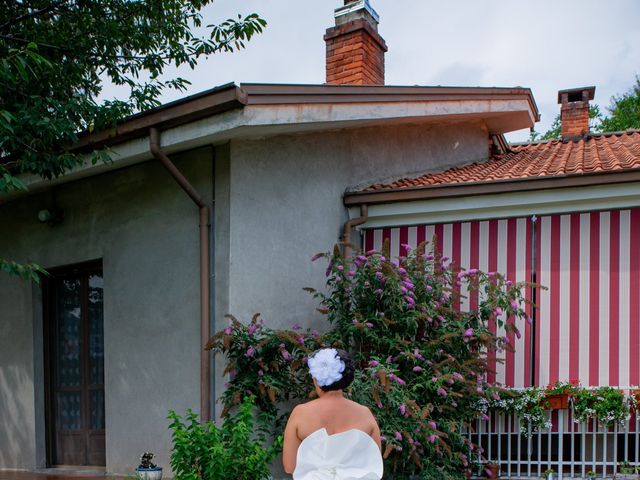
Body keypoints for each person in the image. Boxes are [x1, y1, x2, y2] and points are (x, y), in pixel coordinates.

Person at [282, 348, 383, 480]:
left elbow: (290, 467)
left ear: (316, 379)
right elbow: (374, 462)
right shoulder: (364, 413)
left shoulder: (300, 413)